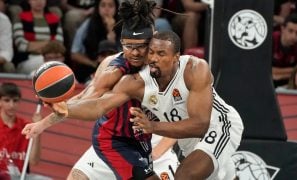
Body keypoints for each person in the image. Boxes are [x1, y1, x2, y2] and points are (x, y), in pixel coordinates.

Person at [23, 30, 244, 179]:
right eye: (151, 53)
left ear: (177, 56)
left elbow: (201, 124)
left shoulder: (195, 69)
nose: (153, 58)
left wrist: (153, 127)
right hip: (146, 140)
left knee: (185, 176)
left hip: (218, 126)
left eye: (161, 54)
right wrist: (64, 109)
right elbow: (98, 105)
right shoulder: (135, 81)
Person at [24, 1, 180, 179]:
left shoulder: (169, 69)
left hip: (154, 138)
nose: (135, 53)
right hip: (113, 139)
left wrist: (158, 152)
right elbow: (85, 99)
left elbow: (182, 116)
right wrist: (44, 123)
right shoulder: (112, 69)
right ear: (121, 43)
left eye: (141, 47)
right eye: (129, 46)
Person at [70, 0, 120, 83]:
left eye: (110, 6)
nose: (106, 9)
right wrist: (93, 63)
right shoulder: (88, 24)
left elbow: (120, 52)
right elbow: (74, 54)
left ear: (116, 8)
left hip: (116, 67)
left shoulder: (123, 25)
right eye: (103, 6)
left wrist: (111, 29)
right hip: (92, 66)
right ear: (98, 8)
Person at [0, 82, 41, 177]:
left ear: (19, 102)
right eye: (7, 100)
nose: (11, 105)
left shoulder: (27, 126)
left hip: (18, 176)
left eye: (15, 101)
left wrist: (38, 129)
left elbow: (34, 161)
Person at [12, 0, 64, 74]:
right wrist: (49, 45)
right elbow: (21, 45)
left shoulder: (55, 19)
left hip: (52, 58)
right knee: (48, 63)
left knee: (53, 63)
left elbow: (59, 45)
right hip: (27, 60)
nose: (39, 1)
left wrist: (33, 45)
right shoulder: (20, 18)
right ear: (29, 1)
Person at [272, 13, 297, 88]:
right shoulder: (271, 40)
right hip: (269, 83)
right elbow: (266, 71)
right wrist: (294, 71)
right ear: (282, 29)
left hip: (291, 84)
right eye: (290, 31)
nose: (294, 36)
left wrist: (279, 74)